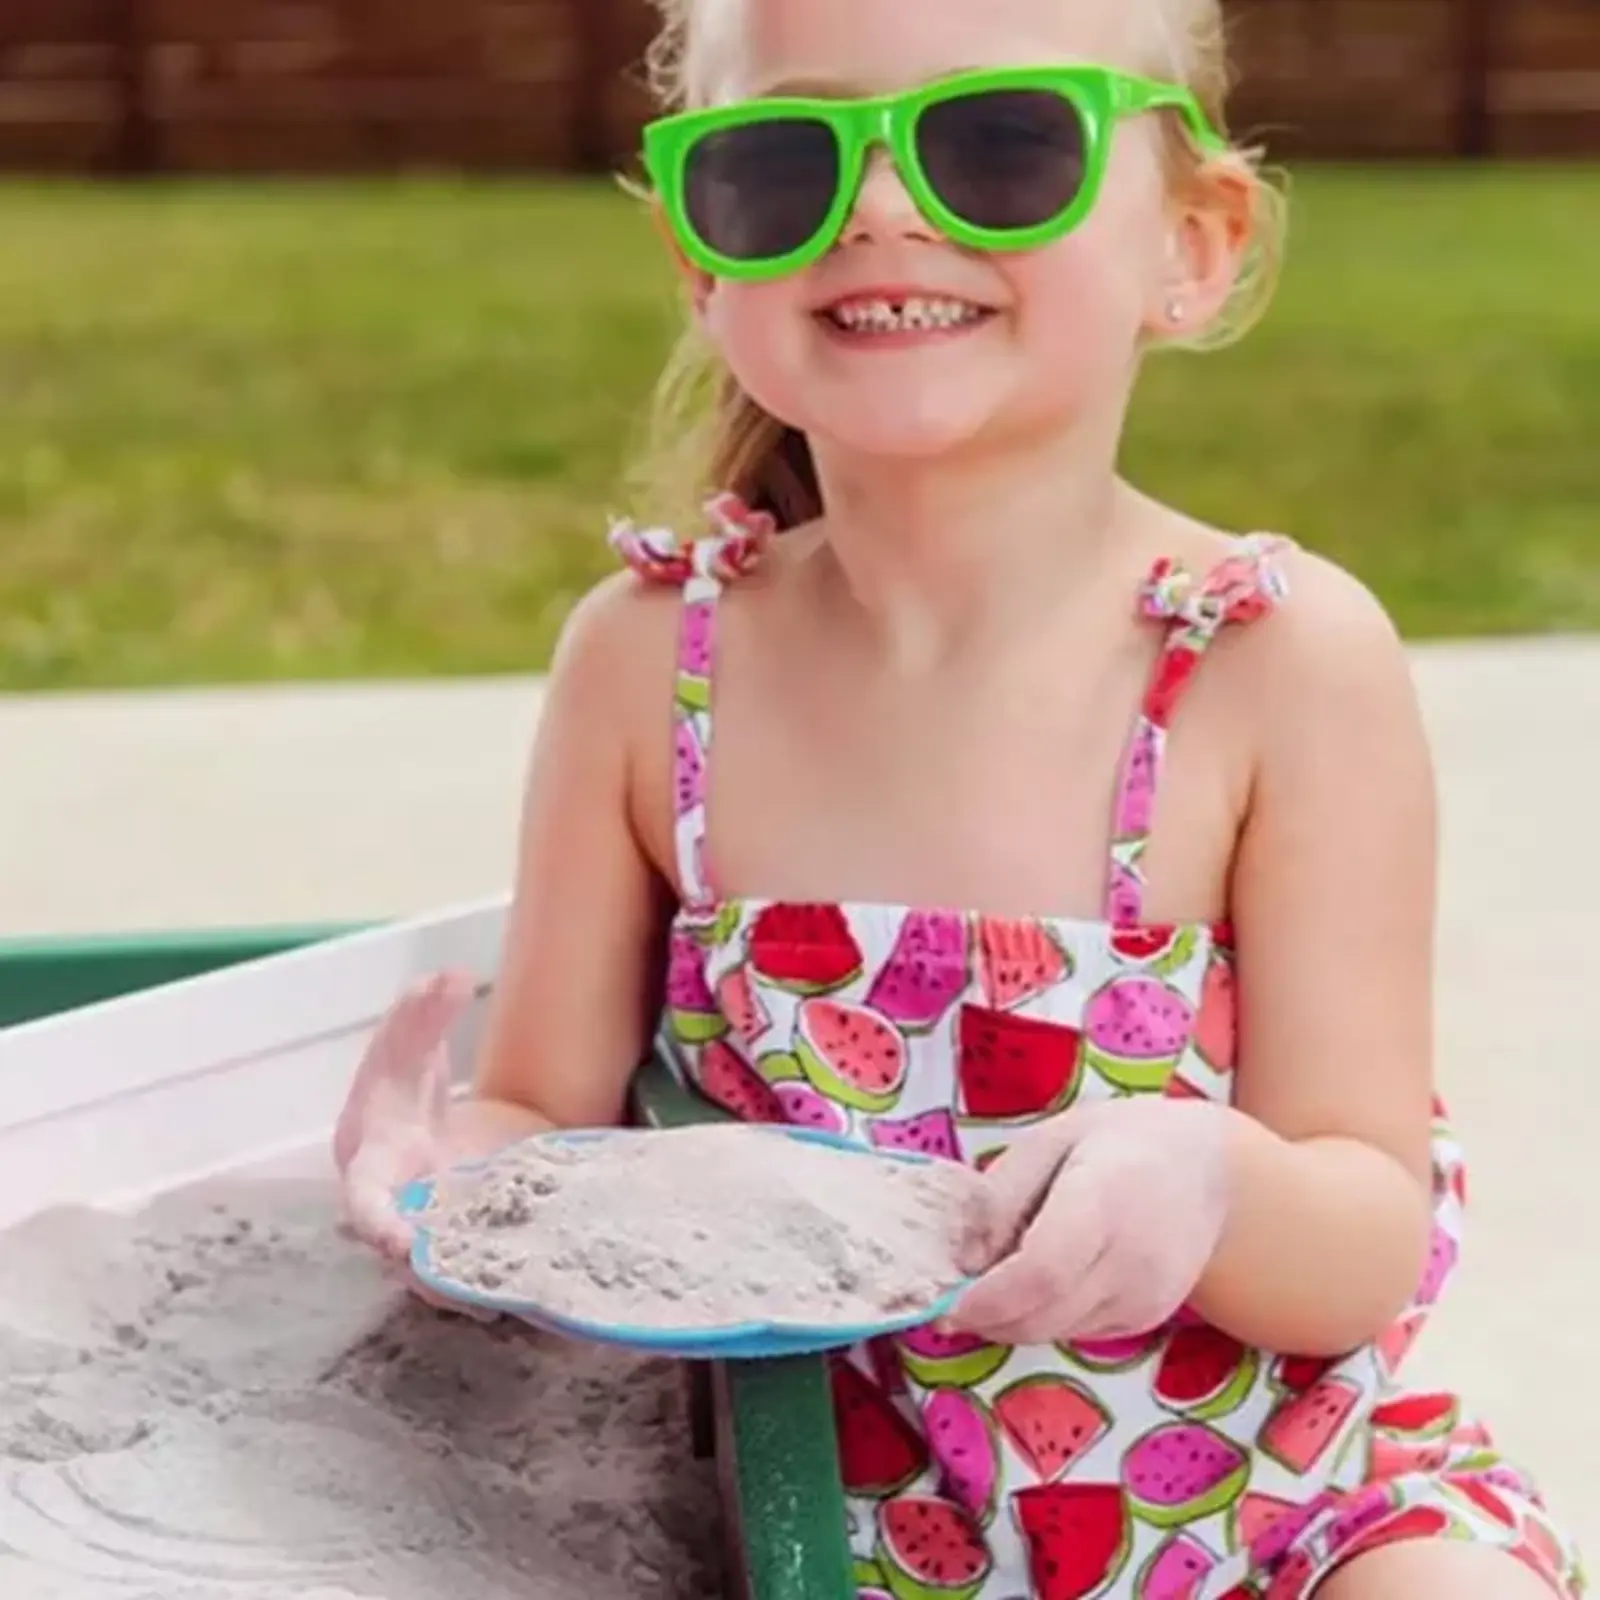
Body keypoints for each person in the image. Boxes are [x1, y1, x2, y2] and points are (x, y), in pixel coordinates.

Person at [330, 0, 1584, 1594]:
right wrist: (438, 1182)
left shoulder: (1274, 663)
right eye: (783, 165)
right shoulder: (651, 664)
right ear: (709, 271)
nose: (878, 210)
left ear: (1191, 247)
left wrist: (1210, 1177)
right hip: (814, 1540)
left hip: (1272, 1517)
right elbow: (543, 1121)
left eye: (1003, 145)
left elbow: (1359, 1240)